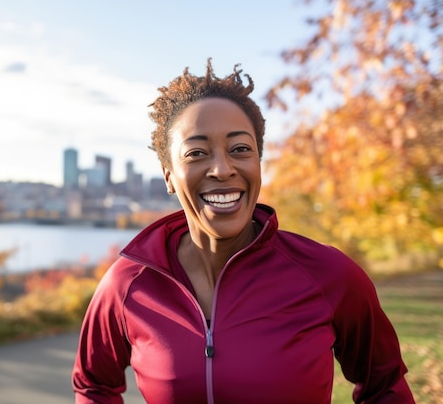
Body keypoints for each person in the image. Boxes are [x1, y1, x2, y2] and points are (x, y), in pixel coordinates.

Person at [72, 59, 415, 404]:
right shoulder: (129, 284)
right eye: (196, 153)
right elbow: (93, 385)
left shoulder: (329, 275)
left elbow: (385, 386)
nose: (222, 169)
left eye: (240, 149)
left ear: (258, 163)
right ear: (168, 176)